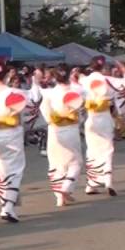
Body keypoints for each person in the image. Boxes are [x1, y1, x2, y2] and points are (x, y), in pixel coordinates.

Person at [0, 62, 38, 221]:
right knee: (15, 170)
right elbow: (34, 101)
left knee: (0, 169)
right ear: (7, 75)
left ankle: (6, 203)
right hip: (12, 133)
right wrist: (36, 82)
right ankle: (7, 207)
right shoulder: (15, 92)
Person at [81, 57, 125, 195]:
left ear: (91, 67)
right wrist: (124, 70)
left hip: (91, 118)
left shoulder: (84, 80)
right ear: (103, 68)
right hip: (105, 117)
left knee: (92, 150)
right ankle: (107, 180)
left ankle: (91, 184)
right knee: (107, 149)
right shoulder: (108, 80)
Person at [40, 70, 85, 207]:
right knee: (75, 161)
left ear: (55, 78)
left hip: (54, 129)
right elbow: (82, 111)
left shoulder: (49, 93)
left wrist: (51, 120)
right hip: (71, 129)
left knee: (55, 163)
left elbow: (44, 109)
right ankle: (66, 187)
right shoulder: (77, 91)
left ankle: (59, 197)